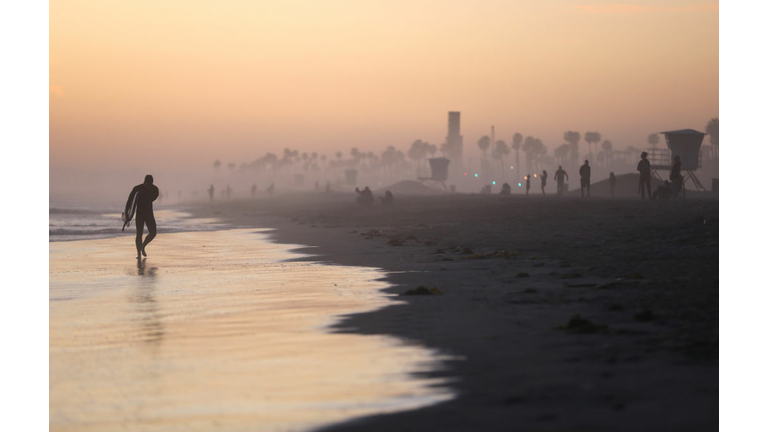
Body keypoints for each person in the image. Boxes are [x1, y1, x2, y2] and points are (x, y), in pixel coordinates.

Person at [124, 175, 160, 259]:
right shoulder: (137, 188)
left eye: (150, 184)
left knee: (153, 233)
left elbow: (152, 198)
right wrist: (127, 214)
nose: (148, 186)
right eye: (147, 184)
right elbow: (130, 201)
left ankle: (143, 246)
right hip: (139, 214)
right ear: (144, 182)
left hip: (149, 214)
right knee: (139, 234)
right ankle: (138, 253)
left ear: (152, 183)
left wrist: (145, 194)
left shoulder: (155, 190)